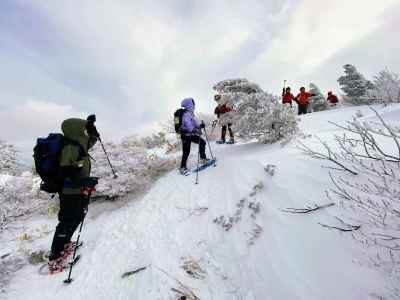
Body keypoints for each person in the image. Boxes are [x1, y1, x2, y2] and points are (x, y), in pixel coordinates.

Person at [48, 115, 99, 273]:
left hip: (80, 190)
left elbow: (91, 141)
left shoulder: (79, 144)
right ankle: (54, 258)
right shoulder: (70, 147)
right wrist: (85, 182)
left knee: (78, 217)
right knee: (66, 222)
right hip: (70, 192)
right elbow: (66, 175)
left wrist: (93, 129)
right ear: (76, 130)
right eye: (83, 128)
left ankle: (66, 243)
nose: (85, 131)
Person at [179, 98, 210, 175]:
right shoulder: (186, 114)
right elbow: (188, 126)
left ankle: (203, 158)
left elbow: (194, 124)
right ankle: (182, 167)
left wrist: (200, 126)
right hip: (185, 135)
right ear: (190, 105)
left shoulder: (190, 114)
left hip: (191, 134)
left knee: (202, 142)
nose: (194, 105)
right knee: (186, 151)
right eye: (193, 104)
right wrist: (195, 131)